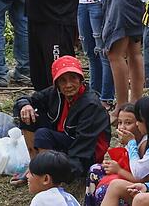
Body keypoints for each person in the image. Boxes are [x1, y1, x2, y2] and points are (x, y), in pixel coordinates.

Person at [14, 56, 110, 184]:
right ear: (57, 84)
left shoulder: (90, 105)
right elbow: (30, 99)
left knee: (43, 135)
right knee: (28, 114)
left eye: (73, 78)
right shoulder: (56, 93)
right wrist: (25, 105)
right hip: (66, 141)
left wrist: (67, 173)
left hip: (87, 153)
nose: (68, 85)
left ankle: (48, 175)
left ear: (81, 80)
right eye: (63, 81)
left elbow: (83, 147)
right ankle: (35, 166)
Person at [84, 104, 146, 206]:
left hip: (137, 186)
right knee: (94, 169)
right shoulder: (125, 140)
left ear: (139, 123)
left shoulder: (143, 145)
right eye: (120, 122)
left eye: (128, 123)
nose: (122, 127)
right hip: (124, 177)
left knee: (104, 190)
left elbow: (143, 179)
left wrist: (118, 170)